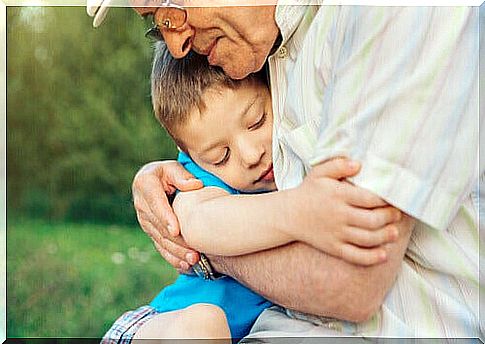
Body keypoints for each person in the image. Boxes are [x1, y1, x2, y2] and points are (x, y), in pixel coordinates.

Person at [89, 1, 480, 339]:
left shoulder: (379, 19)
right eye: (156, 25)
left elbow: (350, 282)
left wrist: (199, 240)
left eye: (169, 8)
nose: (177, 45)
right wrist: (182, 207)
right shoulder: (262, 47)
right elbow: (201, 191)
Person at [103, 40, 400, 343]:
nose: (249, 155)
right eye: (221, 155)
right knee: (204, 325)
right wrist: (300, 210)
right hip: (161, 327)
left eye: (257, 121)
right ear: (189, 155)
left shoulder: (296, 156)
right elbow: (200, 222)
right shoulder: (197, 180)